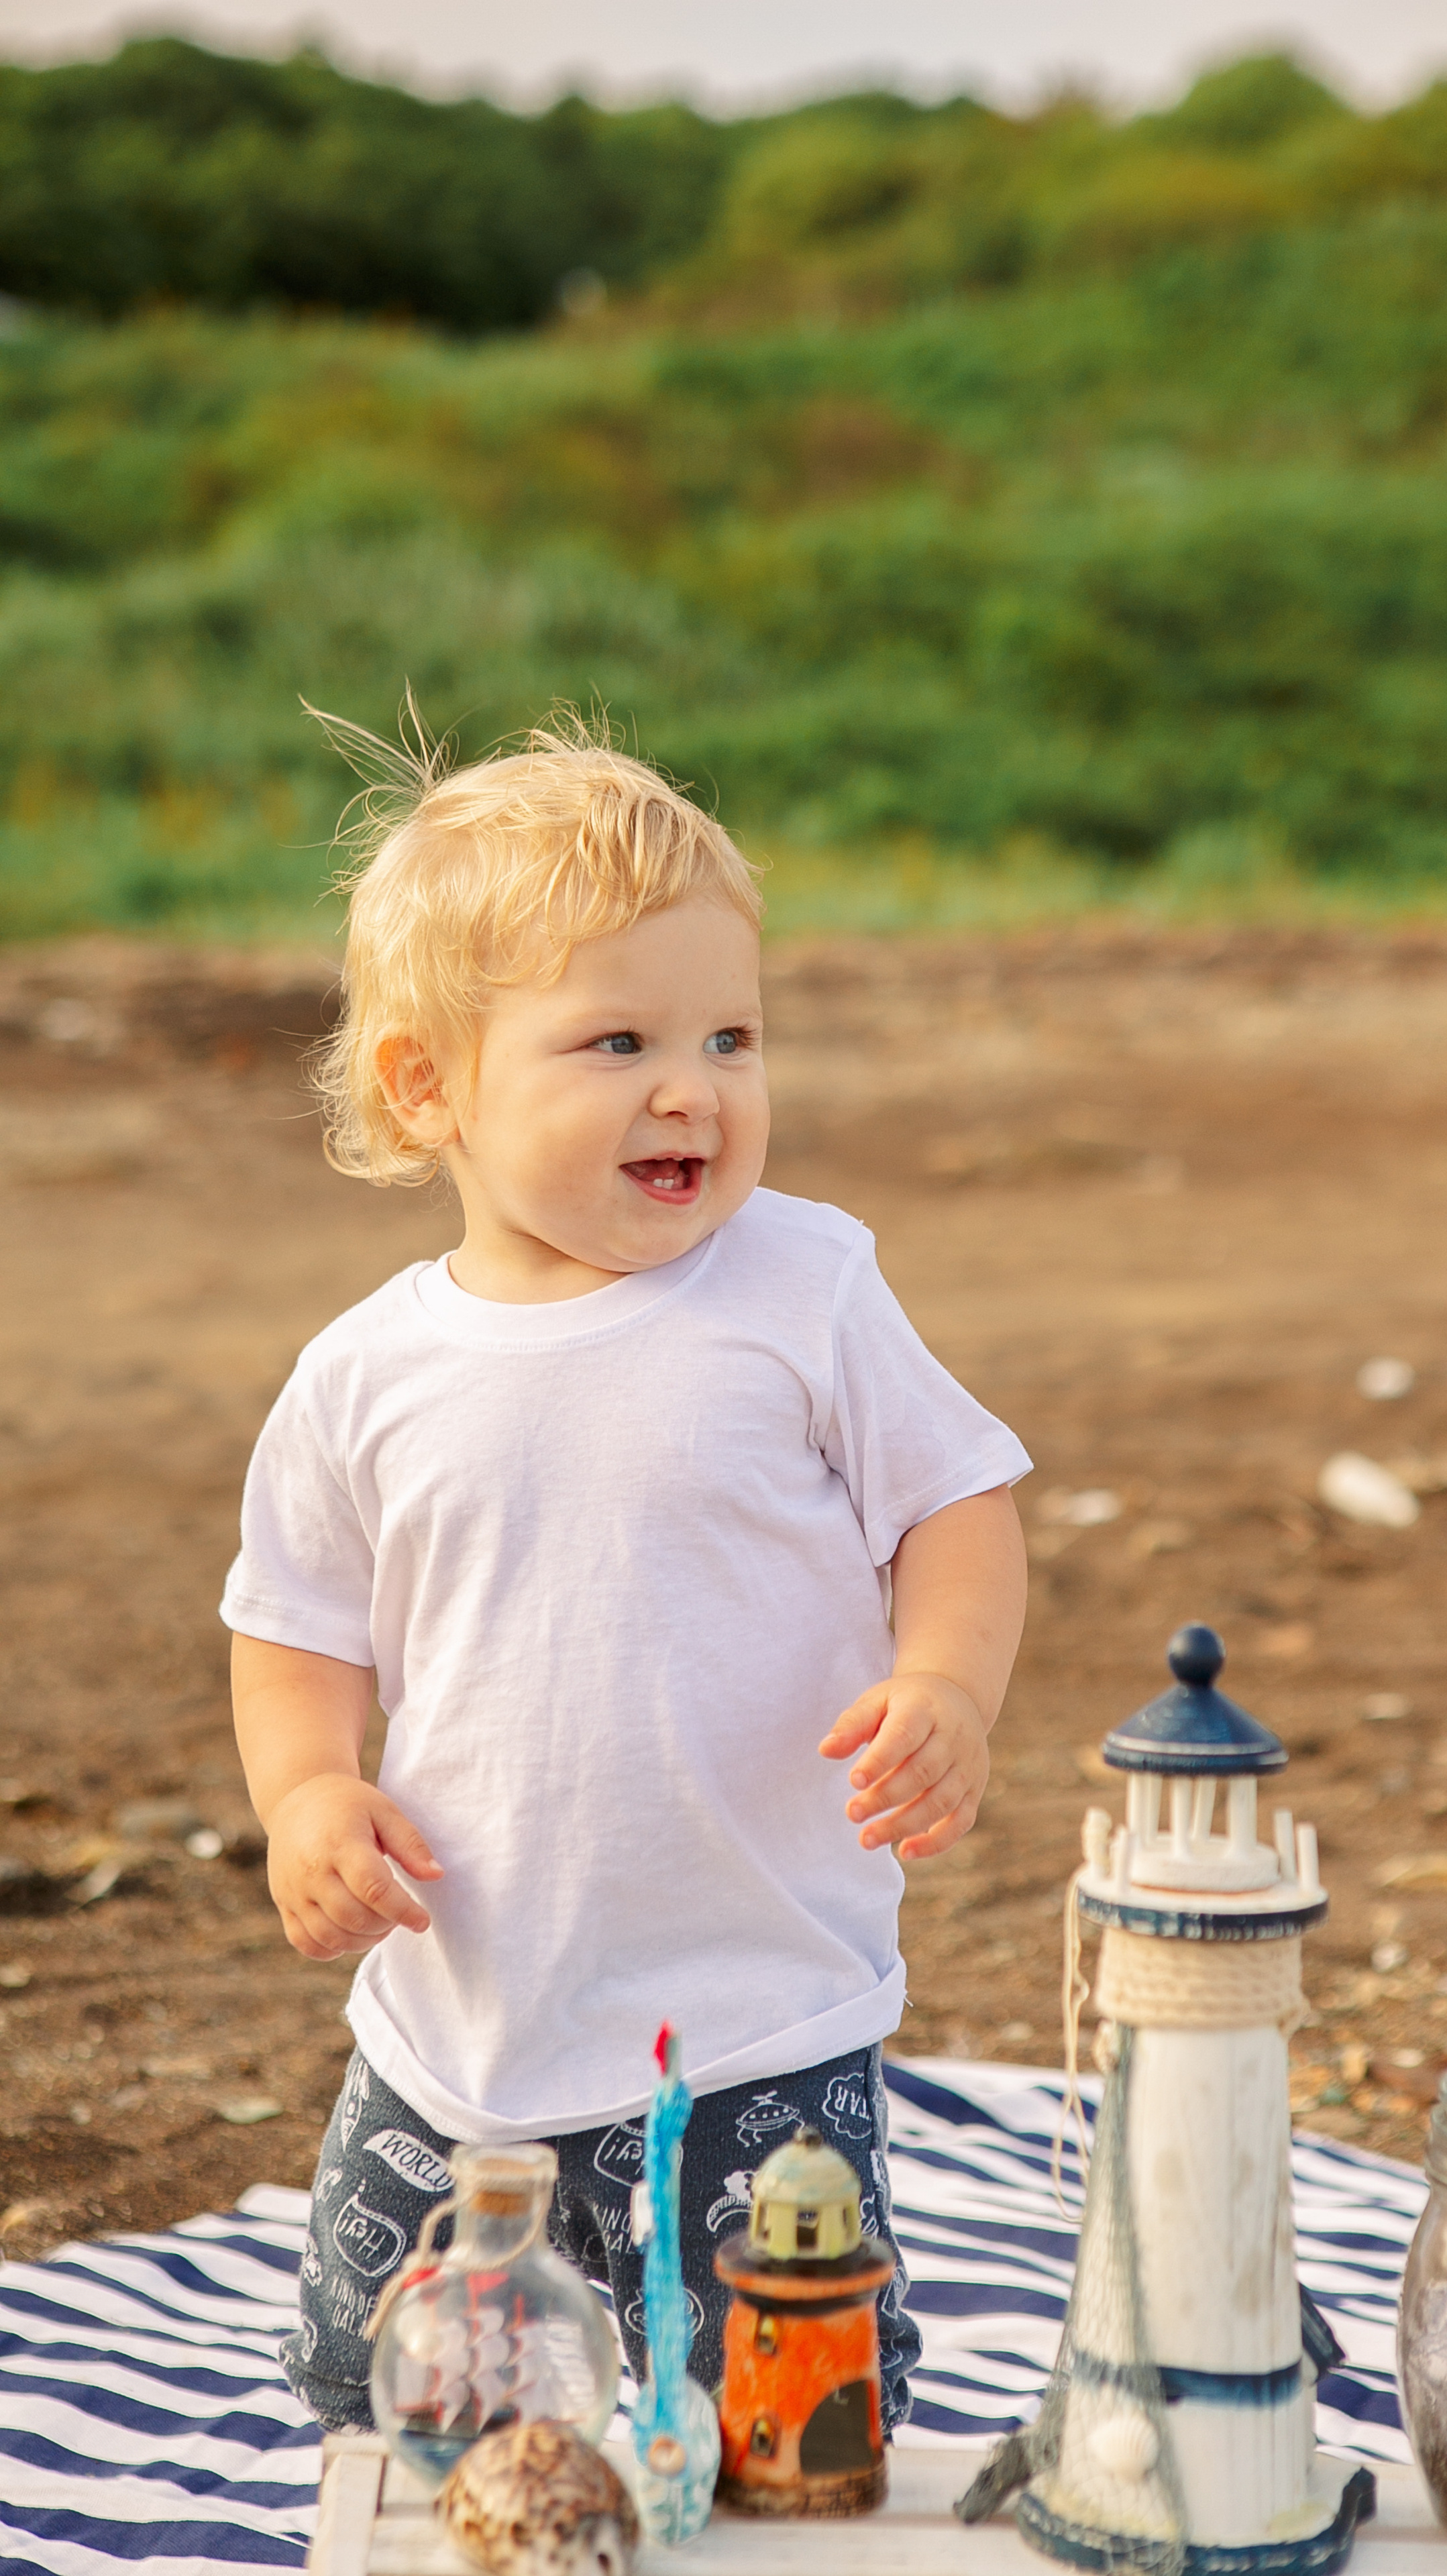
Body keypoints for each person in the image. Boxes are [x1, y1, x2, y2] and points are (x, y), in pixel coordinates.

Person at [223, 716, 1031, 2434]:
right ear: (425, 1086)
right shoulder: (363, 1377)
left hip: (756, 2014)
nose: (696, 1088)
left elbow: (955, 1501)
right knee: (392, 2416)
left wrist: (948, 1682)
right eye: (618, 1041)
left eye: (731, 1034)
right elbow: (293, 1625)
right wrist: (304, 1797)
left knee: (785, 2423)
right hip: (458, 2028)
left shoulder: (800, 1286)